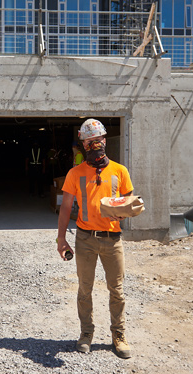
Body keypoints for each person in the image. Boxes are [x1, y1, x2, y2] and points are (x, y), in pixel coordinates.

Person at [56, 118, 134, 359]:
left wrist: (128, 209)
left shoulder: (120, 171)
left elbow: (130, 201)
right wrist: (61, 239)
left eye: (97, 141)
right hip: (85, 240)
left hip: (113, 240)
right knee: (84, 289)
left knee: (117, 291)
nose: (93, 146)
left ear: (104, 141)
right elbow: (66, 208)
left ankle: (118, 335)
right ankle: (86, 333)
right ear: (83, 145)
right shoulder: (75, 173)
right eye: (88, 143)